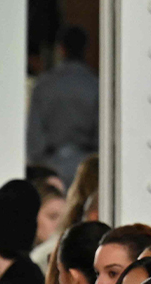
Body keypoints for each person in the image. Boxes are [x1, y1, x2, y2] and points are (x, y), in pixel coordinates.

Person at [26, 26, 100, 183]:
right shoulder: (95, 85)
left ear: (61, 49)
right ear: (86, 49)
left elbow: (34, 138)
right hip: (86, 168)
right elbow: (100, 135)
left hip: (50, 168)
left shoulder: (44, 85)